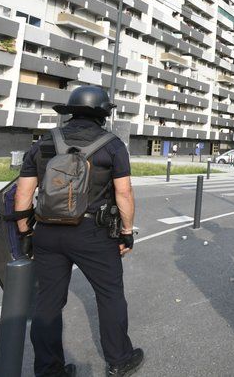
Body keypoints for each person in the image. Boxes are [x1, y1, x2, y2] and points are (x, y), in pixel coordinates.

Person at [14, 86, 144, 377]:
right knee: (109, 294)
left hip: (47, 231)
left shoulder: (45, 142)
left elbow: (23, 193)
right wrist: (126, 231)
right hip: (93, 232)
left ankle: (49, 370)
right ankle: (119, 360)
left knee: (48, 302)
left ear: (71, 111)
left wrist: (25, 233)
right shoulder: (112, 145)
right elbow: (124, 192)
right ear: (102, 114)